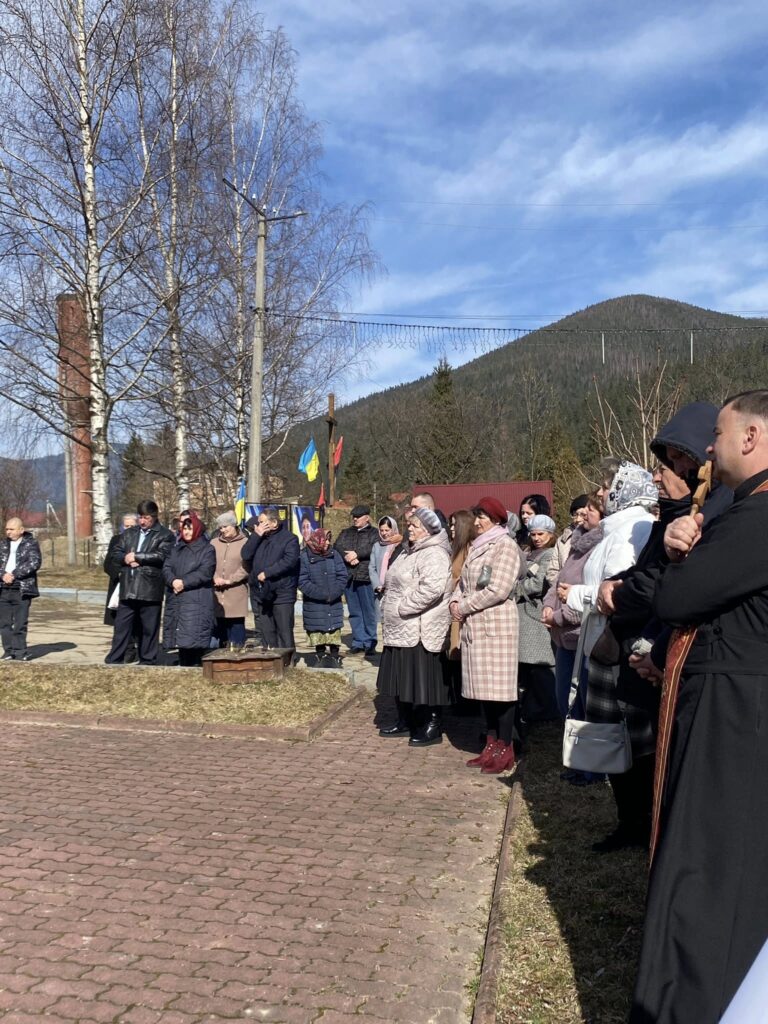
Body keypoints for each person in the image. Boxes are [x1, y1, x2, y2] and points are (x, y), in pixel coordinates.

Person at [630, 390, 768, 1024]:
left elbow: (678, 598)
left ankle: (695, 1001)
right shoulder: (742, 512)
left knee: (712, 871)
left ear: (751, 437)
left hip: (736, 716)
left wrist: (680, 553)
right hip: (735, 704)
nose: (709, 448)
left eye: (718, 433)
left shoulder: (758, 516)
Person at [562, 460, 657, 840]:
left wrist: (577, 595)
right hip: (604, 645)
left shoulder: (636, 529)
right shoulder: (614, 530)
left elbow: (621, 596)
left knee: (633, 743)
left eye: (606, 485)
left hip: (622, 648)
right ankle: (629, 821)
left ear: (625, 490)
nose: (600, 493)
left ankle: (641, 822)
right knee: (614, 740)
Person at [450, 496, 522, 774]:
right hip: (476, 627)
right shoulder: (477, 546)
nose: (477, 521)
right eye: (476, 516)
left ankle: (505, 747)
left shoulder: (505, 545)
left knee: (500, 693)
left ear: (496, 520)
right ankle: (490, 744)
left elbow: (497, 590)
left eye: (483, 517)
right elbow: (464, 583)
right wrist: (454, 602)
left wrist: (464, 606)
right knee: (484, 692)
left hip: (496, 627)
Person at [376, 507, 453, 745]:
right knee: (401, 679)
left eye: (415, 525)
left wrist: (403, 607)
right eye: (409, 524)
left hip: (419, 628)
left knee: (424, 680)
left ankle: (432, 725)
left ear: (428, 530)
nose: (409, 528)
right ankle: (405, 720)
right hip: (400, 629)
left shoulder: (434, 554)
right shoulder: (409, 551)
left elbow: (432, 588)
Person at [104, 499, 174, 667]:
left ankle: (148, 660)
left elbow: (163, 555)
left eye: (146, 518)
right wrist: (126, 559)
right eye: (140, 517)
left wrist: (138, 557)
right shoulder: (130, 533)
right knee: (121, 626)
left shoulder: (165, 534)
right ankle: (115, 658)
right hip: (128, 586)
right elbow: (116, 553)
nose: (142, 521)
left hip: (150, 588)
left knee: (149, 628)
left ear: (154, 517)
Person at [513, 513, 559, 726]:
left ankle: (545, 710)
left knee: (541, 665)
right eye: (533, 534)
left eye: (541, 534)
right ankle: (533, 709)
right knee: (529, 668)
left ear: (550, 534)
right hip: (524, 616)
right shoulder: (528, 553)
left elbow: (539, 583)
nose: (537, 538)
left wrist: (514, 588)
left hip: (536, 614)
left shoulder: (549, 555)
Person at [162, 511, 216, 666]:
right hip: (177, 599)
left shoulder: (207, 549)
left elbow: (205, 572)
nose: (186, 532)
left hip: (196, 600)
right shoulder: (176, 549)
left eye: (190, 529)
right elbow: (166, 567)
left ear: (197, 529)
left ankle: (195, 666)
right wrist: (173, 581)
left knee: (194, 638)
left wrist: (183, 582)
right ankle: (184, 665)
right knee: (180, 639)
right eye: (184, 528)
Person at [242, 507, 300, 649]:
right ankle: (270, 657)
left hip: (282, 592)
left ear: (274, 523)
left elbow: (289, 561)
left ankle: (287, 659)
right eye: (258, 522)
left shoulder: (289, 538)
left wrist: (268, 573)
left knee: (284, 631)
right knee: (267, 632)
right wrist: (256, 536)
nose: (259, 525)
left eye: (262, 522)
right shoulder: (258, 537)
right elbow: (245, 555)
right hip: (262, 592)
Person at [298, 529, 349, 667]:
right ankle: (320, 657)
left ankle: (334, 658)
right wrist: (321, 594)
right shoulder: (304, 557)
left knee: (334, 630)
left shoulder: (334, 554)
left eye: (328, 540)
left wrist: (334, 593)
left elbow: (342, 575)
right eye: (325, 539)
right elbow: (303, 581)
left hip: (334, 602)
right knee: (318, 631)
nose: (327, 543)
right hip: (315, 603)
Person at [334, 505, 378, 656]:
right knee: (354, 611)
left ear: (367, 517)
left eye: (358, 516)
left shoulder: (374, 533)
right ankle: (358, 641)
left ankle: (370, 642)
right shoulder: (346, 532)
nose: (355, 519)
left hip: (365, 577)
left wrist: (357, 554)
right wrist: (347, 556)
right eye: (354, 516)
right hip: (349, 576)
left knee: (368, 611)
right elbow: (337, 546)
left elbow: (374, 548)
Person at [0, 517, 42, 662]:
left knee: (20, 622)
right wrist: (3, 575)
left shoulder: (31, 544)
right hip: (3, 588)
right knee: (4, 623)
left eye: (11, 529)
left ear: (21, 530)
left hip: (22, 588)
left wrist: (14, 574)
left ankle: (20, 652)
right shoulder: (2, 544)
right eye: (7, 529)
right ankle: (8, 651)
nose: (8, 532)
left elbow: (34, 562)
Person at [103, 513, 139, 662]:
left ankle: (133, 650)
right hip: (118, 584)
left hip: (137, 584)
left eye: (132, 526)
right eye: (126, 526)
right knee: (120, 620)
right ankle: (123, 649)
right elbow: (108, 563)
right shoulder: (116, 540)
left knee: (135, 620)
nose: (128, 529)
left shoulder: (141, 540)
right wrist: (118, 573)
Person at [210, 511, 249, 648]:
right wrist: (215, 577)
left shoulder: (245, 542)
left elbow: (246, 566)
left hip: (236, 593)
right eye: (220, 527)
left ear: (234, 525)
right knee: (220, 631)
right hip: (217, 593)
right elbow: (209, 563)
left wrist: (230, 580)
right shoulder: (214, 543)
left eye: (225, 526)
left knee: (236, 629)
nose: (223, 530)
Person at [547, 494, 589, 585]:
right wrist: (562, 586)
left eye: (583, 515)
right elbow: (552, 571)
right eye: (575, 515)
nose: (578, 519)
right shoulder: (563, 540)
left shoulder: (598, 538)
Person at [369, 516, 405, 614]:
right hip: (380, 590)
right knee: (380, 618)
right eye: (381, 530)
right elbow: (372, 567)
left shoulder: (400, 545)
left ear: (393, 529)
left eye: (387, 530)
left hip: (396, 589)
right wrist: (377, 585)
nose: (384, 533)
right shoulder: (377, 546)